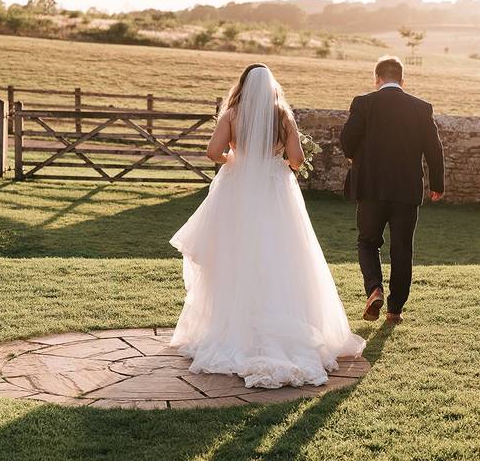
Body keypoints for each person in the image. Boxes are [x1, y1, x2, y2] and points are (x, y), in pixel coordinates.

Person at [169, 63, 365, 389]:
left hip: (239, 189)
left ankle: (232, 329)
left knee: (235, 254)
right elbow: (298, 159)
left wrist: (237, 161)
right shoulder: (281, 115)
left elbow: (212, 152)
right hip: (276, 189)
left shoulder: (232, 114)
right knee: (283, 254)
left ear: (243, 85)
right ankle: (285, 326)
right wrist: (279, 163)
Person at [339, 56, 445, 325]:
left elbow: (347, 141)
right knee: (402, 249)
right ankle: (394, 311)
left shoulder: (364, 103)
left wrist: (356, 155)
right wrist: (437, 184)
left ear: (377, 79)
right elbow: (434, 149)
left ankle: (374, 288)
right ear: (402, 80)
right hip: (406, 190)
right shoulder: (421, 108)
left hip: (370, 188)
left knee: (367, 242)